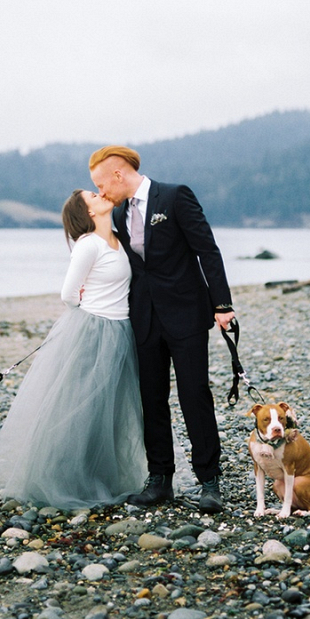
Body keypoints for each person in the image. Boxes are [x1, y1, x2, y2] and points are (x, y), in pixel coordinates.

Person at [89, 146, 235, 513]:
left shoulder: (174, 196)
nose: (102, 192)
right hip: (143, 318)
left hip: (186, 314)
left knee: (194, 395)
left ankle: (209, 481)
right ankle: (160, 480)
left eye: (101, 184)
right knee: (150, 400)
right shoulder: (118, 212)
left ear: (119, 175)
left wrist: (222, 304)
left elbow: (207, 250)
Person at [0, 189, 147, 510]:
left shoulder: (117, 238)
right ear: (87, 213)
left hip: (121, 330)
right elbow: (68, 294)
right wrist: (89, 306)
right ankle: (65, 480)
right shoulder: (88, 245)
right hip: (93, 332)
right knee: (82, 407)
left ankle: (103, 476)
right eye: (93, 196)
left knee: (111, 410)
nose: (101, 194)